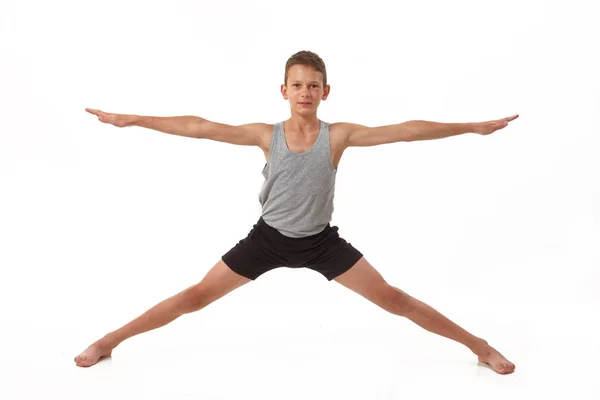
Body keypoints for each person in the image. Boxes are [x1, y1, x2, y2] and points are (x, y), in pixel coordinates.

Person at [75, 50, 518, 374]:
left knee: (394, 300)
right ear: (284, 90)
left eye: (313, 85)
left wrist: (471, 127)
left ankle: (479, 346)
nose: (305, 91)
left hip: (322, 243)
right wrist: (133, 119)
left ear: (325, 92)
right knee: (193, 297)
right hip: (266, 240)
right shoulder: (266, 135)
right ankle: (108, 341)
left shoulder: (338, 135)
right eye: (297, 84)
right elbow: (198, 127)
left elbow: (404, 131)